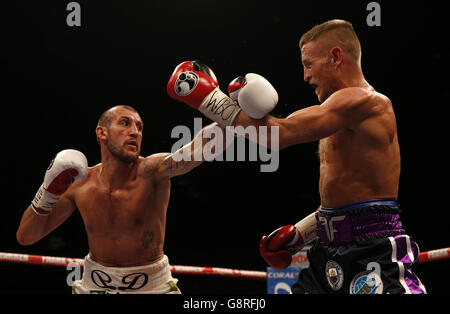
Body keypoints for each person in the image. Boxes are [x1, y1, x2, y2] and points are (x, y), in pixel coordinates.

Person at [167, 20, 426, 294]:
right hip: (326, 253)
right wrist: (302, 233)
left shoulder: (367, 103)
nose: (305, 76)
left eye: (308, 63)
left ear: (336, 57)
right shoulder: (334, 113)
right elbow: (346, 196)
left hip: (372, 251)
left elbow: (278, 136)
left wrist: (207, 98)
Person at [16, 105, 226, 294]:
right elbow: (26, 237)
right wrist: (48, 192)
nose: (135, 131)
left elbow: (195, 152)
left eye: (139, 127)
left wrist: (226, 112)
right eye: (125, 123)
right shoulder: (81, 184)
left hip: (154, 288)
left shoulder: (153, 171)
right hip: (93, 287)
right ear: (102, 132)